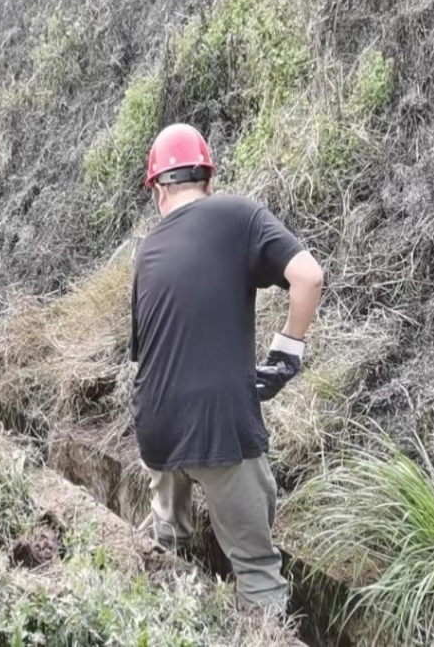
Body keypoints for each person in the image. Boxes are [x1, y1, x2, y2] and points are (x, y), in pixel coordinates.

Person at [128, 123, 325, 614]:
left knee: (165, 549)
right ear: (209, 180)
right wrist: (287, 351)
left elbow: (147, 351)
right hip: (218, 424)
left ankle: (163, 616)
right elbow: (308, 276)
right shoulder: (238, 214)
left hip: (155, 427)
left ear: (158, 191)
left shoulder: (147, 251)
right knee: (257, 573)